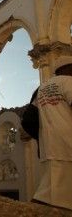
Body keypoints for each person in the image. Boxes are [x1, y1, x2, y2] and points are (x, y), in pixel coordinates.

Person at [32, 55, 72, 210]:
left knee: (51, 192)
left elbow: (30, 118)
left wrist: (39, 139)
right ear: (68, 68)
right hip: (68, 141)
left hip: (49, 146)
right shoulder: (68, 82)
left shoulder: (42, 88)